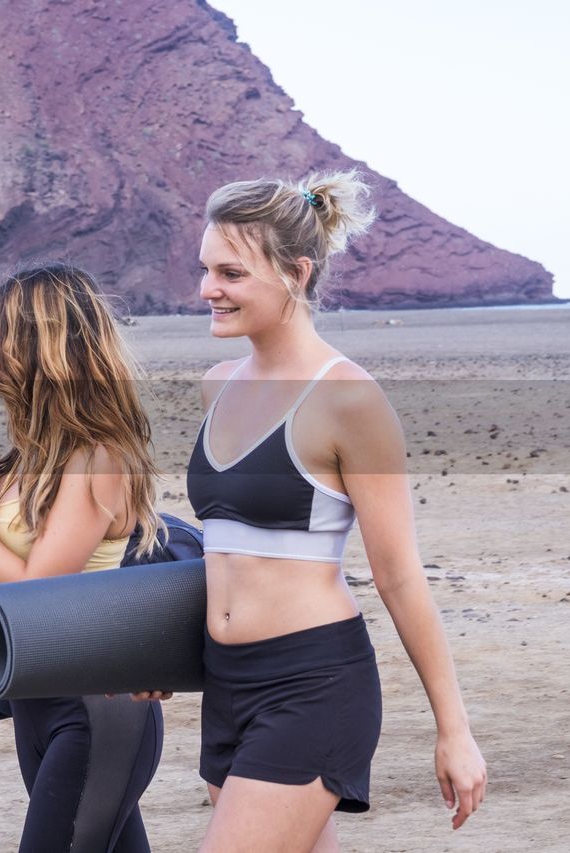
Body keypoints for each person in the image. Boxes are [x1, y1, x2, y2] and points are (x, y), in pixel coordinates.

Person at [134, 171, 487, 851]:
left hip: (313, 684)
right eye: (205, 269)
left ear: (296, 273)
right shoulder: (217, 388)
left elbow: (399, 576)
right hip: (225, 684)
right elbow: (224, 554)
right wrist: (154, 650)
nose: (207, 289)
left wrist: (455, 729)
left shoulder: (350, 399)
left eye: (230, 272)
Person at [0, 263, 166, 852]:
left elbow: (37, 592)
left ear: (41, 349)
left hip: (93, 713)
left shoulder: (100, 458)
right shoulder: (26, 459)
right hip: (35, 702)